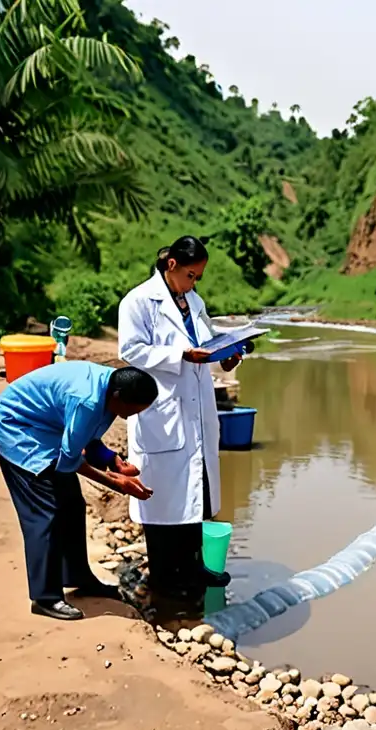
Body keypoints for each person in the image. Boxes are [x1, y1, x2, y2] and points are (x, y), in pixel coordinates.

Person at [117, 235, 246, 598]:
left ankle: (194, 567)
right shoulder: (139, 302)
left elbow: (208, 341)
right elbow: (130, 349)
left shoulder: (193, 300)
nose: (194, 283)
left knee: (197, 493)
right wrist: (180, 356)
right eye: (191, 275)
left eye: (198, 278)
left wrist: (227, 355)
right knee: (163, 503)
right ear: (171, 265)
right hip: (162, 409)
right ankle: (164, 577)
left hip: (196, 410)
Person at [0, 362, 158, 620]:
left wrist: (112, 459)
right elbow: (69, 459)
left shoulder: (110, 387)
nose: (130, 416)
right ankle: (45, 597)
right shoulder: (87, 401)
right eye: (131, 410)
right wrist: (114, 483)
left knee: (71, 504)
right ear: (118, 397)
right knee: (45, 513)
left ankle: (77, 575)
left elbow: (86, 435)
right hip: (18, 429)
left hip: (46, 427)